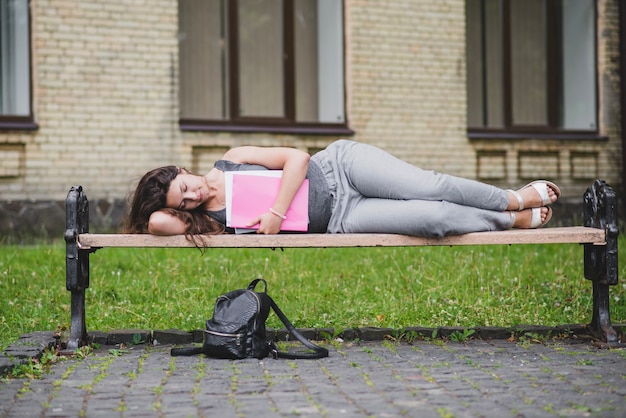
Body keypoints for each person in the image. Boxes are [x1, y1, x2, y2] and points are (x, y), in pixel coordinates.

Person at [123, 140, 560, 240]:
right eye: (184, 201)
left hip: (340, 170)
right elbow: (158, 222)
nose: (193, 196)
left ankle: (514, 198)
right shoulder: (205, 221)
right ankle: (509, 221)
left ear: (183, 168)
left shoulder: (232, 158)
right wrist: (161, 202)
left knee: (431, 186)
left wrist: (275, 211)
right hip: (340, 220)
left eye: (186, 186)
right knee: (435, 219)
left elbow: (298, 158)